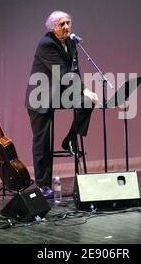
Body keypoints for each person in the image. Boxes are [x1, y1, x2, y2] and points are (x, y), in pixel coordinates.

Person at [25, 11, 98, 198]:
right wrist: (83, 89)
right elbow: (63, 73)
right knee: (42, 141)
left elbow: (74, 70)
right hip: (41, 95)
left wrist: (83, 92)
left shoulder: (72, 42)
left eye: (68, 22)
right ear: (52, 28)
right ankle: (43, 185)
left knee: (87, 103)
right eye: (61, 24)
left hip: (61, 92)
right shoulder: (46, 44)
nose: (66, 27)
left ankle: (70, 140)